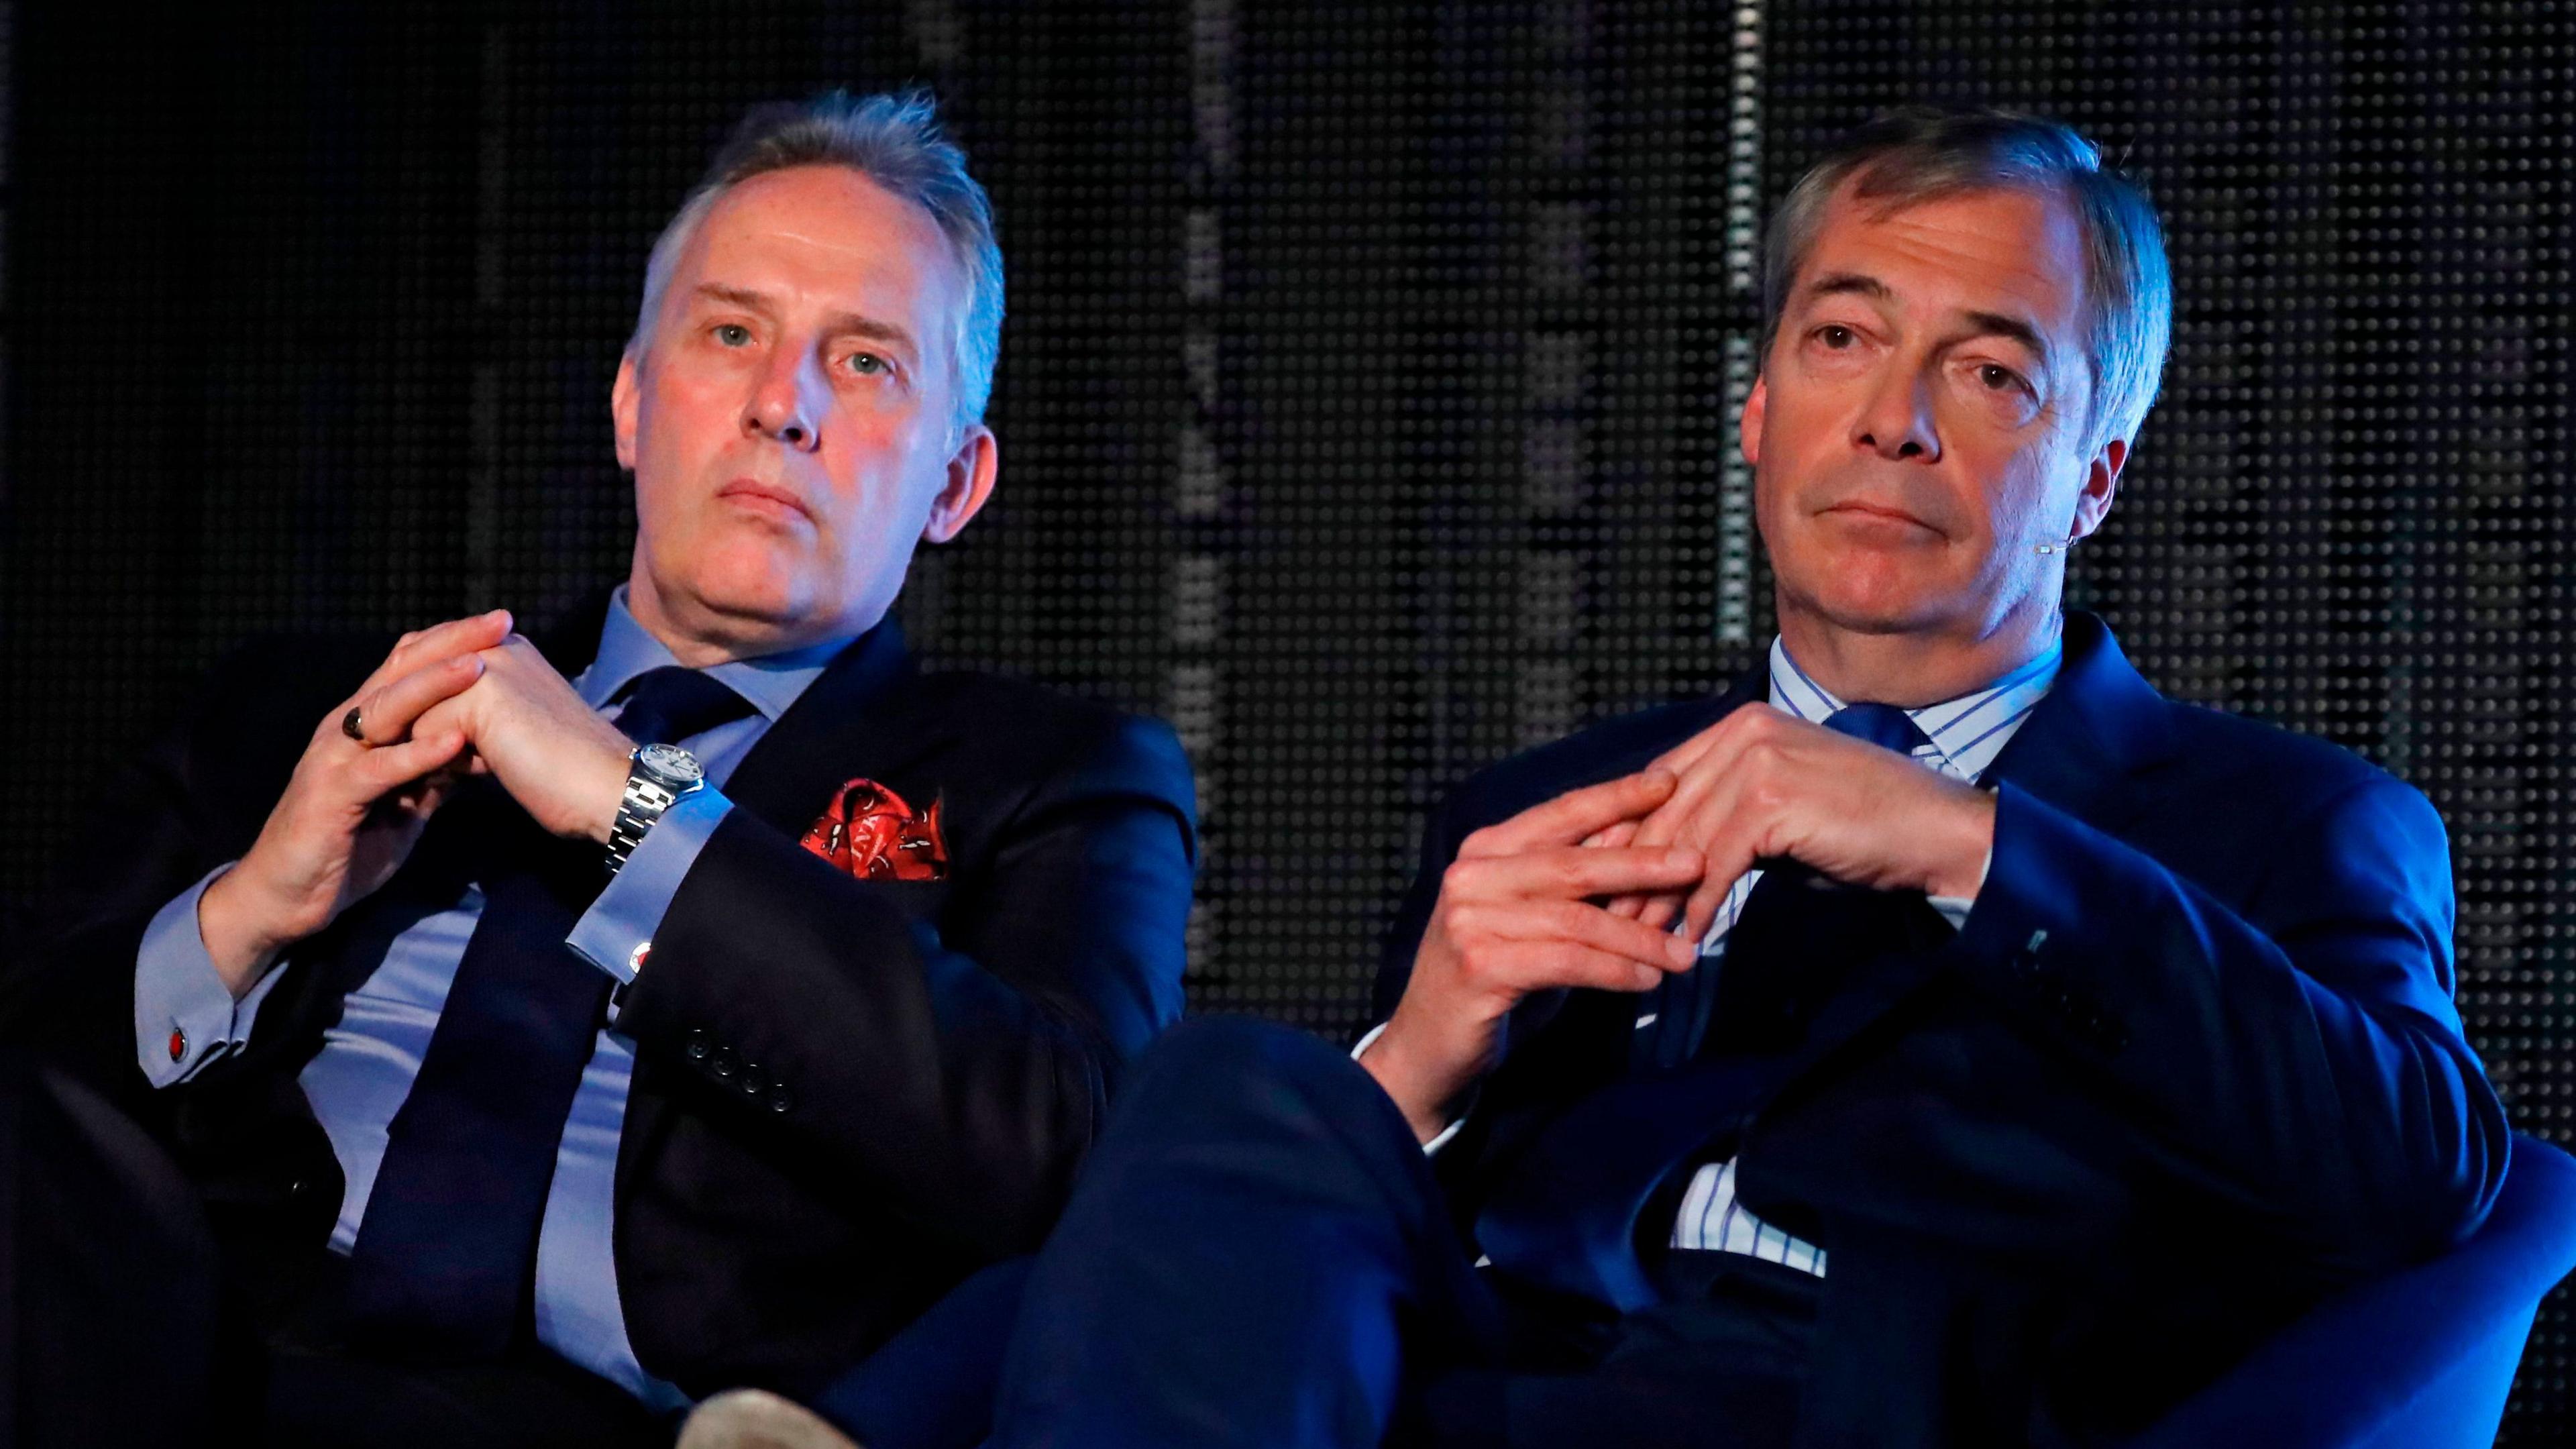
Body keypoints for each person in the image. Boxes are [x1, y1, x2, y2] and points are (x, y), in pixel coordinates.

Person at [765, 107, 2509, 1449]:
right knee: (1243, 1084)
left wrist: (1974, 845)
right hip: (1468, 1388)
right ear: (1755, 412)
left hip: (1881, 1403)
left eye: (1989, 371)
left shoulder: (2287, 822)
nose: (1895, 418)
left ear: (2099, 471)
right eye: (1842, 340)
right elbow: (1352, 1235)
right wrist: (1435, 1050)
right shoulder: (1556, 799)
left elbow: (2436, 1176)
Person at [0, 90, 1195, 1448]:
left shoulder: (1052, 780)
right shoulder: (299, 709)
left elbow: (1066, 1162)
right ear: (633, 407)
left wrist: (635, 809)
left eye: (865, 363)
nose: (779, 406)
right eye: (732, 333)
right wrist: (252, 909)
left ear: (954, 486)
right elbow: (31, 1092)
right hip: (178, 1360)